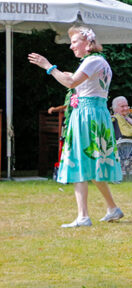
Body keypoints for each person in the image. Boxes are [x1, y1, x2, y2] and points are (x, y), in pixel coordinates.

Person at [28, 26, 123, 227]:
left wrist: (48, 66)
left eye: (74, 42)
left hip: (87, 115)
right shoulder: (99, 61)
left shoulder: (93, 60)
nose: (71, 47)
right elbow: (82, 83)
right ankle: (113, 209)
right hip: (95, 114)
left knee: (79, 160)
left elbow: (70, 82)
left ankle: (83, 217)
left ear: (88, 43)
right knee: (92, 163)